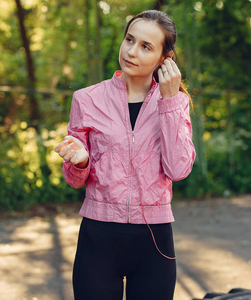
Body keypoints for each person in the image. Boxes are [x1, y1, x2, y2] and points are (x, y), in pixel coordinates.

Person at [54, 10, 196, 300]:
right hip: (98, 237)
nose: (131, 51)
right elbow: (74, 179)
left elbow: (178, 169)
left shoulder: (175, 102)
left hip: (155, 241)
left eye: (146, 46)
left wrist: (169, 101)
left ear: (164, 58)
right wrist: (81, 161)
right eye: (129, 40)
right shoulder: (87, 98)